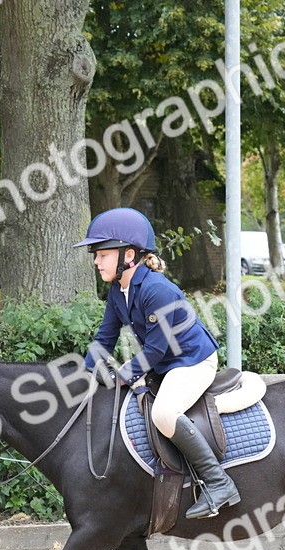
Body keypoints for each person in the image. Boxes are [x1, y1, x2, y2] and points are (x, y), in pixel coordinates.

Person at [75, 207, 240, 519]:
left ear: (130, 255)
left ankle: (219, 483)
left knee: (164, 413)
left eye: (103, 254)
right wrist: (84, 374)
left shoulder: (156, 290)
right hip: (166, 363)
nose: (96, 260)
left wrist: (125, 373)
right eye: (96, 255)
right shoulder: (117, 290)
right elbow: (105, 337)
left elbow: (156, 348)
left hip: (192, 362)